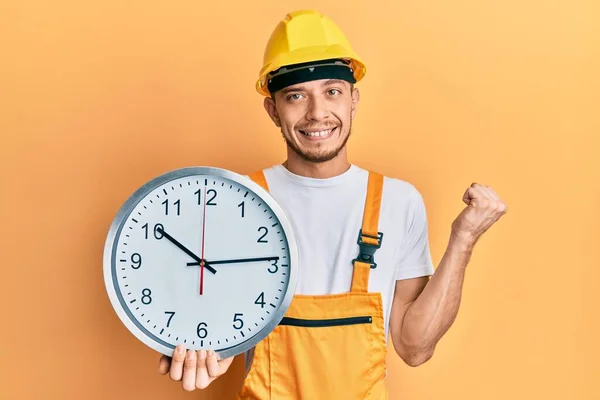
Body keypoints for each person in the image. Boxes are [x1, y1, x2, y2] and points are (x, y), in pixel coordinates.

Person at [158, 9, 508, 399]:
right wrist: (203, 350)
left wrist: (464, 239)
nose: (317, 113)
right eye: (295, 96)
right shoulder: (239, 201)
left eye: (332, 91)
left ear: (353, 100)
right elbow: (206, 318)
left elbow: (414, 347)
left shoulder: (398, 201)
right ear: (273, 110)